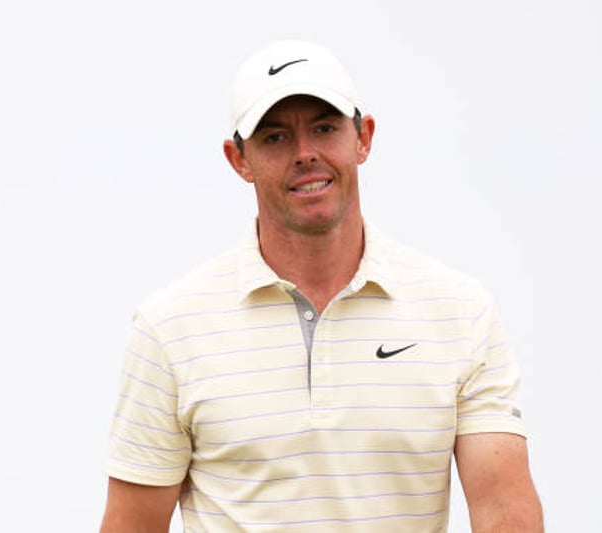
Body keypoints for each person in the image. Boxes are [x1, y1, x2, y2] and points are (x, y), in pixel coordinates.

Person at [100, 40, 543, 532]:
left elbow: (506, 515)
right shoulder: (170, 327)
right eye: (274, 138)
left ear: (363, 137)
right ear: (238, 160)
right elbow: (132, 526)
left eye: (325, 128)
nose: (305, 154)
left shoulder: (460, 312)